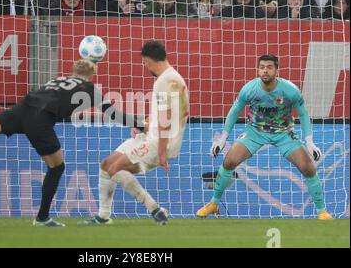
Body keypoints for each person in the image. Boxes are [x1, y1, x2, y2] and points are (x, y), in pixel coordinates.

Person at [0, 59, 144, 227]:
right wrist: (139, 123)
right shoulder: (90, 89)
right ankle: (42, 218)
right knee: (57, 167)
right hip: (40, 118)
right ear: (91, 74)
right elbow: (112, 114)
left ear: (72, 71)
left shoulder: (58, 80)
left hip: (22, 109)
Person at [195, 54, 333, 220]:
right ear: (258, 69)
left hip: (283, 133)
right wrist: (223, 138)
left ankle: (322, 211)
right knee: (230, 160)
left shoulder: (290, 90)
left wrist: (309, 142)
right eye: (262, 67)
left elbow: (303, 114)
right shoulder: (249, 89)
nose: (265, 71)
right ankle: (214, 203)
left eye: (269, 67)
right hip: (255, 132)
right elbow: (234, 111)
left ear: (277, 70)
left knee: (307, 167)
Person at [78, 40, 189, 226]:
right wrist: (144, 123)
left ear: (147, 60)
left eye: (145, 63)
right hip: (151, 135)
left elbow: (166, 119)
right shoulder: (172, 78)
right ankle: (103, 216)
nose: (145, 67)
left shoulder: (164, 82)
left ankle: (155, 209)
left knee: (115, 170)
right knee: (106, 165)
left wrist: (162, 152)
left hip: (159, 142)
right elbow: (166, 113)